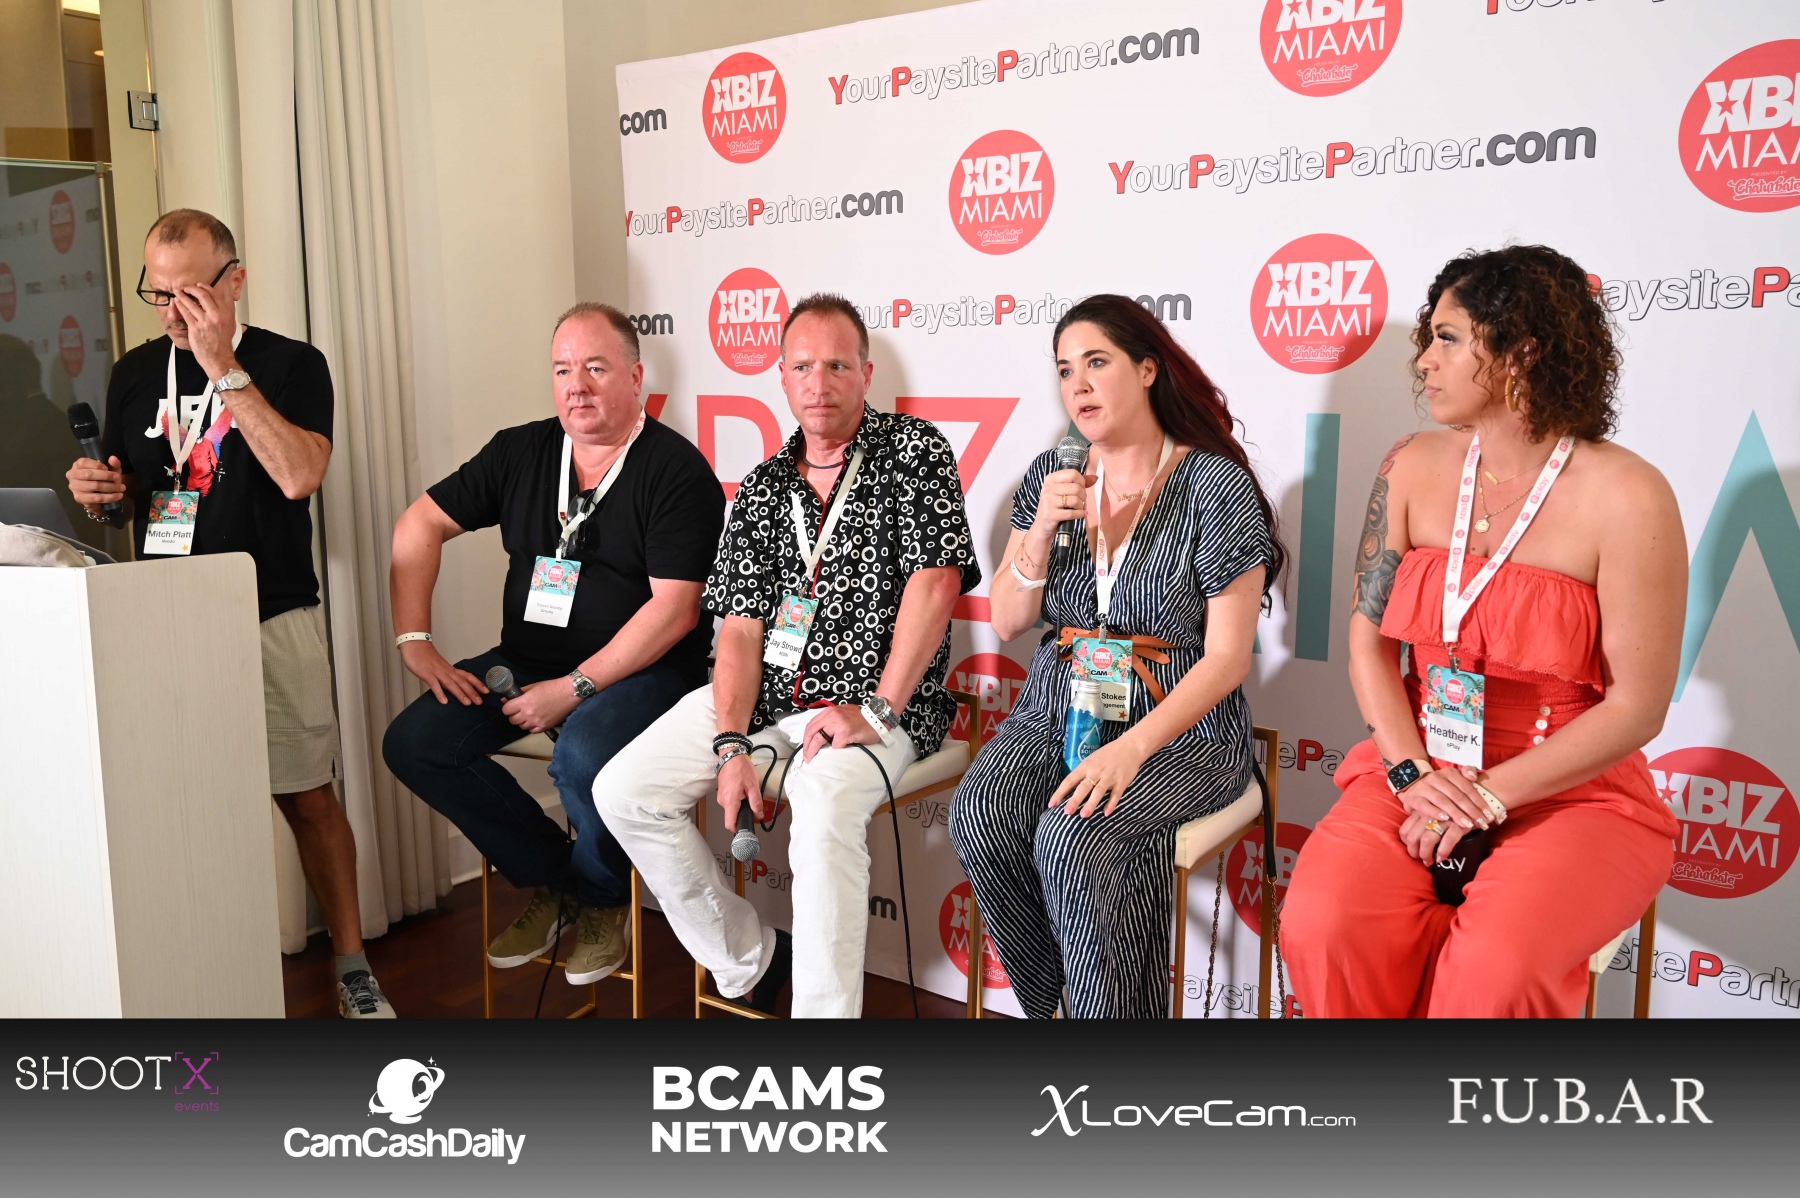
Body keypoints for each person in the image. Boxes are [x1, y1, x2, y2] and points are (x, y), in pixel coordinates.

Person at [1280, 245, 1683, 1018]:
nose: (1423, 361)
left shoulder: (1629, 495)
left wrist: (1487, 797)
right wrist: (1410, 775)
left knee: (1497, 971)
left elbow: (1638, 707)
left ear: (1521, 352)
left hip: (1571, 791)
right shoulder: (1409, 464)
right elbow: (1369, 644)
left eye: (1448, 338)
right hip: (1420, 765)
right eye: (1428, 338)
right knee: (1322, 924)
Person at [596, 294, 979, 1018]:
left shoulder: (914, 452)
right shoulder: (764, 488)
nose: (819, 382)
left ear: (866, 374)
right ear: (781, 377)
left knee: (824, 802)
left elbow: (936, 585)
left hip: (879, 705)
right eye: (802, 366)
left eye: (837, 365)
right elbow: (741, 631)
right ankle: (751, 956)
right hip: (769, 699)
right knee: (625, 789)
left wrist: (876, 710)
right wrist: (731, 742)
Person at [64, 209, 392, 1018]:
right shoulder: (135, 372)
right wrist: (103, 497)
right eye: (158, 293)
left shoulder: (290, 364)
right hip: (165, 616)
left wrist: (223, 367)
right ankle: (206, 959)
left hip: (268, 609)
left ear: (234, 281)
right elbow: (135, 499)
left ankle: (352, 965)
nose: (173, 312)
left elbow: (300, 476)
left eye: (191, 293)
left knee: (307, 796)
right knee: (188, 798)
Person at [948, 295, 1283, 1019]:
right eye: (1066, 370)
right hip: (1057, 705)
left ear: (1148, 369)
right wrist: (1040, 530)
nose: (1079, 385)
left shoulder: (1212, 483)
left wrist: (1130, 750)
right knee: (980, 810)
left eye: (1097, 362)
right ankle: (1057, 1007)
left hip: (1178, 726)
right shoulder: (1052, 475)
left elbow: (1228, 659)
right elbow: (1007, 619)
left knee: (1075, 835)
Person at [382, 303, 724, 987]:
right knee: (415, 743)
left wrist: (574, 689)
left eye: (596, 368)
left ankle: (603, 900)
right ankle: (558, 881)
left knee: (582, 755)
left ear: (635, 377)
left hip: (647, 671)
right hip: (527, 662)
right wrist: (414, 640)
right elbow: (418, 525)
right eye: (563, 370)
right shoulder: (522, 451)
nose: (577, 386)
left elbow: (676, 611)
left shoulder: (674, 470)